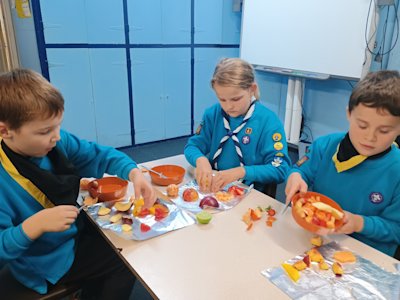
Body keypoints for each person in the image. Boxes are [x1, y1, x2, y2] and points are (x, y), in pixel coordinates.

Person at [0, 69, 156, 299]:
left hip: (72, 234)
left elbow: (100, 154)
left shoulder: (55, 142)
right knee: (124, 259)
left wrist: (134, 173)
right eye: (45, 131)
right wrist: (33, 226)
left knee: (119, 238)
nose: (57, 137)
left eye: (57, 126)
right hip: (45, 262)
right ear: (5, 130)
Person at [285, 70, 400, 257]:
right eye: (362, 125)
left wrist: (359, 223)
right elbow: (300, 170)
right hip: (312, 243)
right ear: (349, 114)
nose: (370, 137)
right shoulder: (325, 146)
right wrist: (295, 176)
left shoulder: (396, 170)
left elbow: (396, 229)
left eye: (384, 130)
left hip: (365, 257)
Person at [184, 58, 291, 193]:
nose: (229, 106)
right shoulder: (213, 114)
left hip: (251, 193)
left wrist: (241, 172)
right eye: (222, 99)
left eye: (236, 99)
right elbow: (192, 146)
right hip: (216, 187)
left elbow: (280, 168)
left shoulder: (269, 121)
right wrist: (200, 160)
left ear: (252, 89)